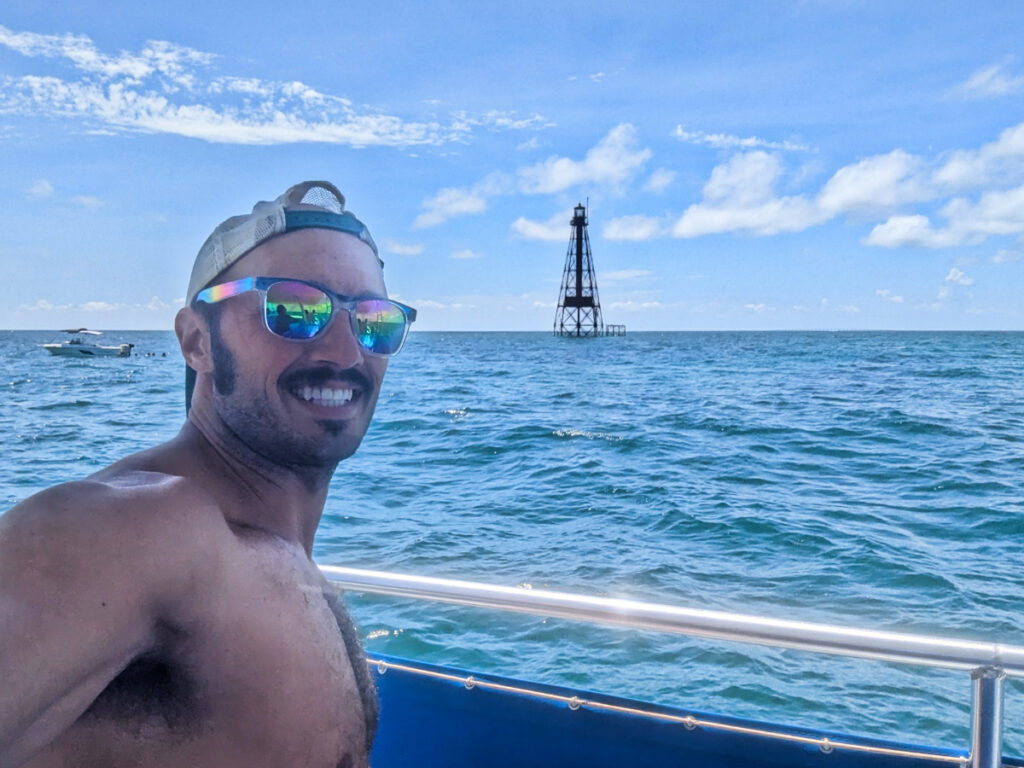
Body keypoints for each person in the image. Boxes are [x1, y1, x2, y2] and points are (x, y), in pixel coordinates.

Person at [0, 181, 417, 767]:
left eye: (374, 320)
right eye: (295, 310)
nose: (347, 354)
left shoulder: (267, 545)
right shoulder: (132, 532)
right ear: (197, 341)